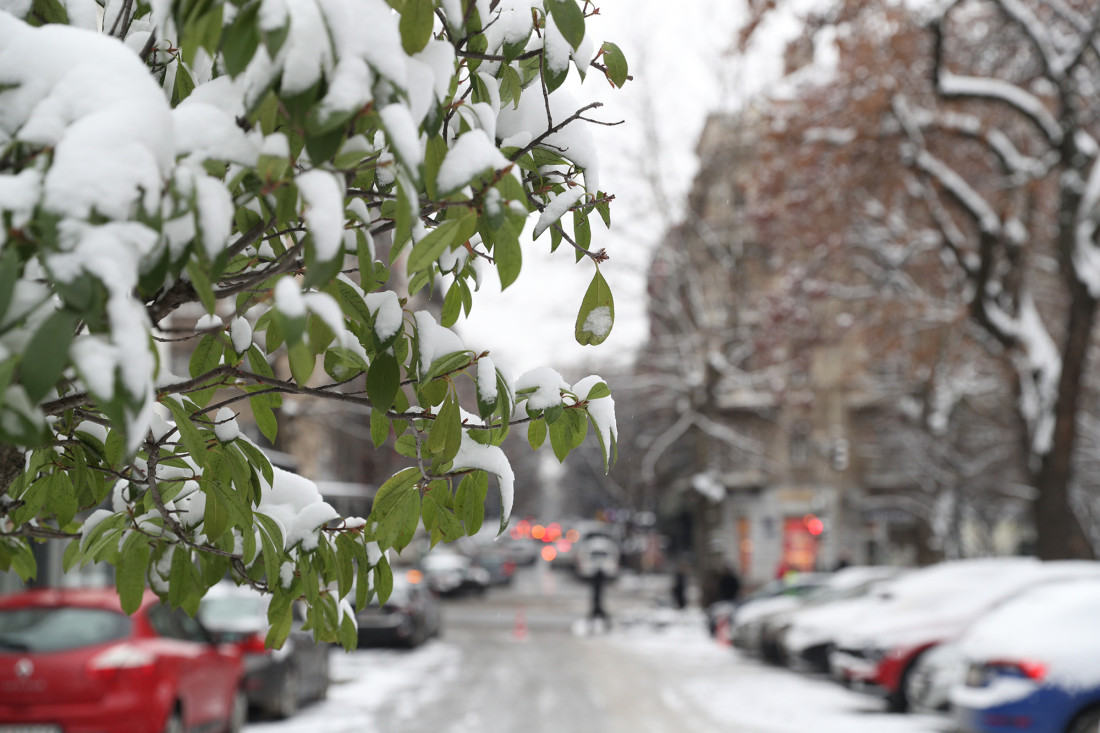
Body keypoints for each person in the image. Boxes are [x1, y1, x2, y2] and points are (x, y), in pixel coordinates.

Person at [588, 566, 610, 633]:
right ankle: (607, 626)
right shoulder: (599, 582)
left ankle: (591, 628)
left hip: (597, 602)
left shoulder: (596, 581)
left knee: (596, 615)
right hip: (598, 601)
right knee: (600, 615)